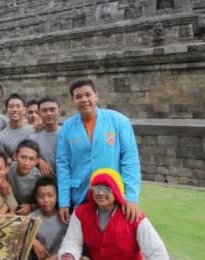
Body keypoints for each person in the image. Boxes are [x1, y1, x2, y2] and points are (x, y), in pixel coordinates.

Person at [57, 78, 142, 224]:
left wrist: (131, 197)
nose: (84, 99)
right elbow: (63, 166)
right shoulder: (67, 128)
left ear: (96, 96)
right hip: (81, 194)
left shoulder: (119, 121)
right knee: (82, 238)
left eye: (88, 94)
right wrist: (64, 201)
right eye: (78, 96)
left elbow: (130, 160)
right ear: (73, 100)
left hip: (112, 192)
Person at [58, 169, 169, 260]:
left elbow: (157, 252)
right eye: (97, 188)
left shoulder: (133, 216)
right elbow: (72, 241)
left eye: (107, 189)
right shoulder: (81, 213)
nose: (101, 193)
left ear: (116, 191)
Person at [27, 176, 67, 260]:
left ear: (57, 196)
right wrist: (33, 241)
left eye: (50, 195)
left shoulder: (66, 218)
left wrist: (55, 257)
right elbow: (19, 234)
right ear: (36, 197)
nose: (46, 200)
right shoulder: (31, 218)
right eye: (41, 196)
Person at [6, 139, 42, 215]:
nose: (26, 163)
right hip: (11, 207)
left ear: (36, 161)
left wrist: (31, 207)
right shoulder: (9, 169)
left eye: (31, 159)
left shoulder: (38, 177)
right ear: (15, 156)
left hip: (31, 212)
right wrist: (3, 181)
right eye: (23, 157)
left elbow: (45, 201)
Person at [29, 96, 61, 174]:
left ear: (59, 111)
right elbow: (26, 157)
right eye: (44, 110)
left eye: (52, 110)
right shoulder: (33, 138)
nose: (49, 113)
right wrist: (38, 160)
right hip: (45, 182)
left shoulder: (69, 133)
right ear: (39, 113)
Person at [0, 93, 34, 158]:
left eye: (18, 106)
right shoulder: (2, 136)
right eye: (11, 107)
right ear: (6, 110)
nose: (15, 109)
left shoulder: (34, 130)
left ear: (24, 110)